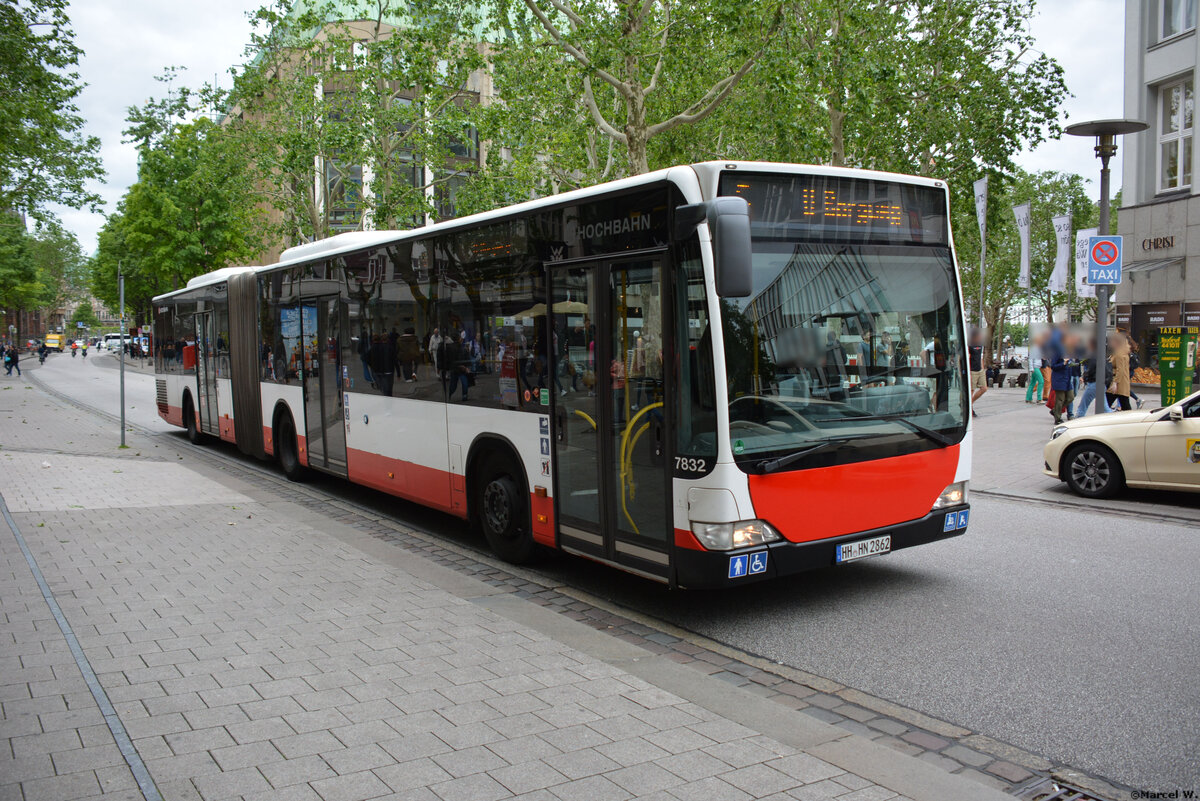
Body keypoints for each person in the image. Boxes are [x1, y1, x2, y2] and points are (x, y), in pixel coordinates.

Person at [1075, 338, 1112, 418]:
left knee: (1083, 405)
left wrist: (1085, 376)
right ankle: (1112, 418)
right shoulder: (1101, 355)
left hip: (1094, 383)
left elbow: (1091, 369)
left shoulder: (1093, 356)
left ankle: (1078, 419)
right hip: (1101, 383)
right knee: (1104, 406)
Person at [1047, 323, 1074, 425]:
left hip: (1067, 378)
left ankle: (1055, 411)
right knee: (1060, 399)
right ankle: (1057, 418)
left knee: (1070, 397)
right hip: (1059, 378)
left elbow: (1069, 363)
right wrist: (1064, 363)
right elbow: (1053, 366)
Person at [1107, 333, 1133, 411]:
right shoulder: (1123, 352)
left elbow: (1120, 369)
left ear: (1117, 342)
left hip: (1118, 384)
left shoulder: (1119, 354)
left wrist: (1115, 383)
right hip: (1122, 383)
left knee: (1106, 404)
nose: (1110, 343)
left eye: (1112, 341)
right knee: (1125, 404)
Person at [968, 328, 986, 418]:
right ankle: (969, 408)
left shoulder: (980, 345)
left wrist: (983, 369)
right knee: (971, 390)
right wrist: (969, 372)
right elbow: (967, 358)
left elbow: (981, 357)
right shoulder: (969, 346)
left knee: (984, 388)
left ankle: (970, 403)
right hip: (972, 371)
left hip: (980, 370)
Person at [1025, 333, 1045, 404]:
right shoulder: (1034, 349)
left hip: (1036, 367)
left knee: (1032, 383)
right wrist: (1031, 368)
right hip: (1035, 367)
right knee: (1041, 381)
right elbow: (1031, 359)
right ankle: (1039, 398)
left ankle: (1028, 398)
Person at [1127, 336, 1144, 409]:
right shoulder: (1131, 348)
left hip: (1127, 371)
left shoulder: (1127, 349)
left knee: (1123, 388)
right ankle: (1120, 405)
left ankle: (1137, 399)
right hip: (1130, 371)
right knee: (1123, 388)